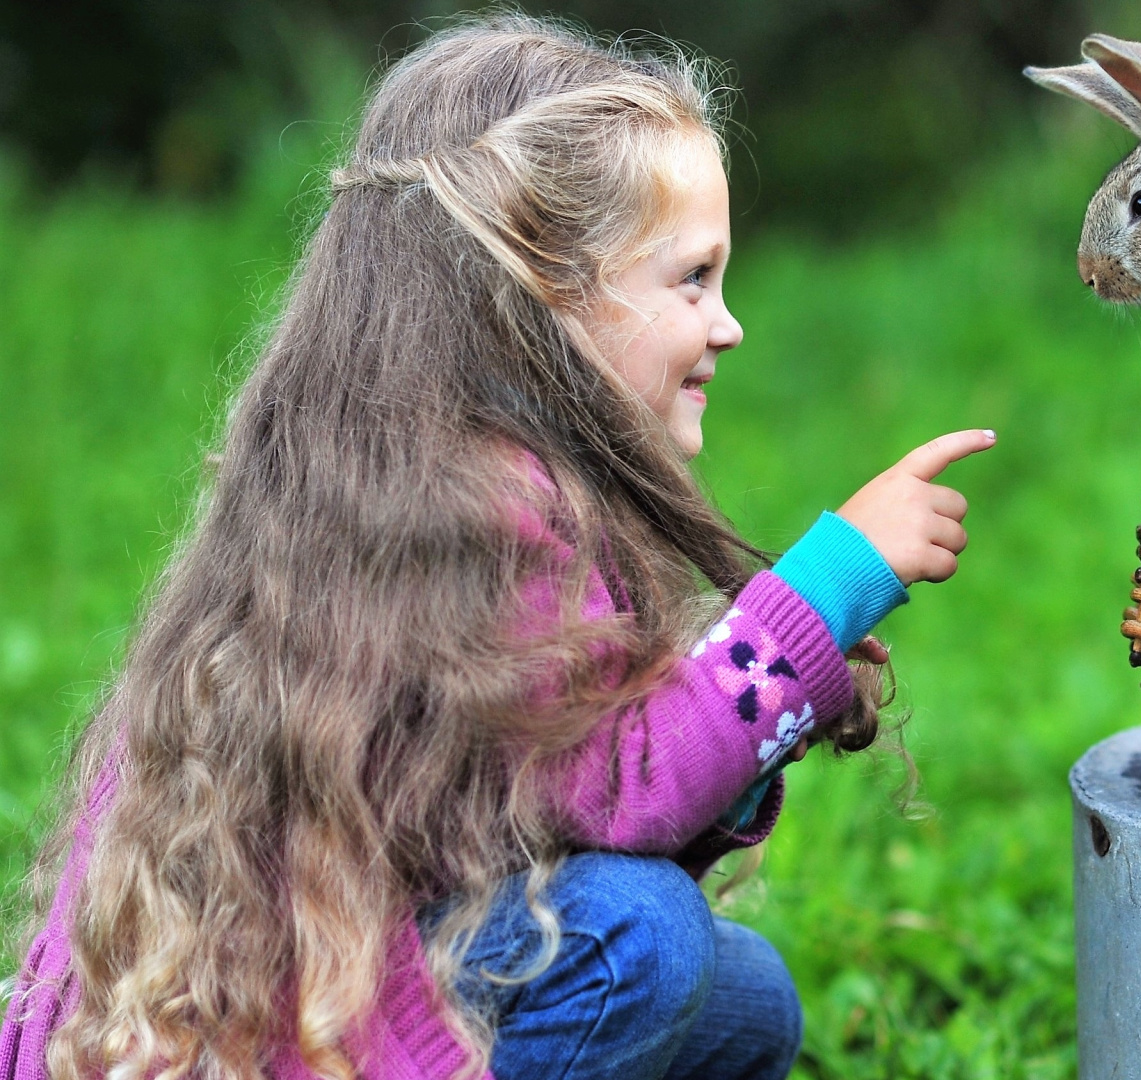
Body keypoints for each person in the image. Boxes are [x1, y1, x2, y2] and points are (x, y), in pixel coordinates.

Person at [0, 16, 991, 1080]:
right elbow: (628, 789)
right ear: (542, 291)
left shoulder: (441, 475)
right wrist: (828, 588)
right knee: (636, 940)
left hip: (344, 996)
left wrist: (770, 700)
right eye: (693, 279)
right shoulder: (465, 503)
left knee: (745, 1004)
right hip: (276, 1043)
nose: (728, 323)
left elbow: (570, 809)